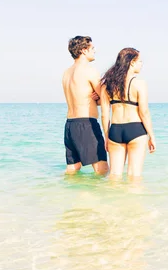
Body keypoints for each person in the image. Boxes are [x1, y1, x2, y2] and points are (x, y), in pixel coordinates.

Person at [100, 48, 156, 180]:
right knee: (134, 176)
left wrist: (107, 137)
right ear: (132, 62)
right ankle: (134, 201)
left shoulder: (106, 85)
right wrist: (151, 136)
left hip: (115, 130)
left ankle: (112, 200)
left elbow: (104, 115)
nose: (141, 64)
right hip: (136, 130)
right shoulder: (139, 83)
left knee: (114, 176)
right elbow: (144, 112)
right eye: (140, 61)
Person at [62, 36, 109, 175]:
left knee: (72, 169)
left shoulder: (66, 73)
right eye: (92, 48)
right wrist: (99, 99)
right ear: (83, 50)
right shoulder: (89, 71)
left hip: (70, 125)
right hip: (86, 124)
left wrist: (96, 99)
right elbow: (106, 99)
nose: (95, 51)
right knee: (102, 170)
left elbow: (79, 97)